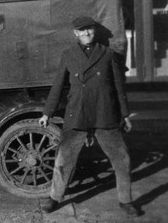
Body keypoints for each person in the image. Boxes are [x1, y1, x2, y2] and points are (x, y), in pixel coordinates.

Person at [38, 15, 140, 217]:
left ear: (94, 31)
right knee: (63, 160)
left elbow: (119, 87)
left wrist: (125, 114)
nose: (86, 33)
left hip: (105, 113)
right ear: (75, 33)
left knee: (122, 159)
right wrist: (46, 113)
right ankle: (54, 198)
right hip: (77, 114)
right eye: (82, 30)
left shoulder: (108, 54)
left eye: (90, 29)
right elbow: (58, 86)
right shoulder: (68, 55)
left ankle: (126, 201)